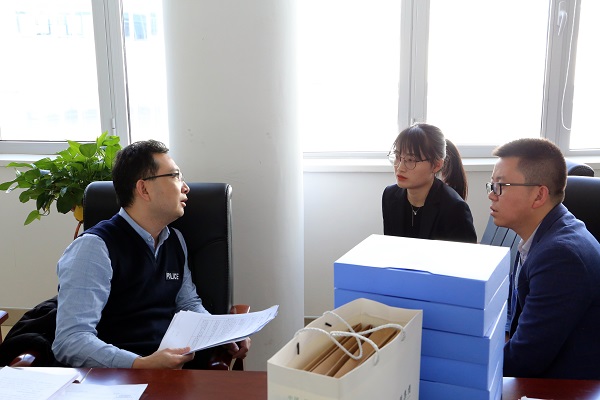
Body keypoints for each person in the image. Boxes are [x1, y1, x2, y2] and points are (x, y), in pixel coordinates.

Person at [52, 140, 250, 369]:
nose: (186, 187)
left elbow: (187, 303)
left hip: (173, 371)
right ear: (144, 189)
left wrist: (223, 333)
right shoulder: (94, 248)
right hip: (119, 378)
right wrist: (140, 365)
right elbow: (71, 340)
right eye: (175, 176)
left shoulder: (174, 240)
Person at [489, 138, 600, 379]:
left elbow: (524, 360)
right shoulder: (541, 235)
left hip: (564, 386)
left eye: (501, 185)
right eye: (492, 184)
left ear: (539, 195)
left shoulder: (561, 258)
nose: (491, 194)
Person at [382, 123, 477, 243]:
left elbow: (464, 254)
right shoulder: (390, 195)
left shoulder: (454, 209)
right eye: (397, 156)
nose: (400, 167)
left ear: (437, 165)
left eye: (411, 160)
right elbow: (391, 247)